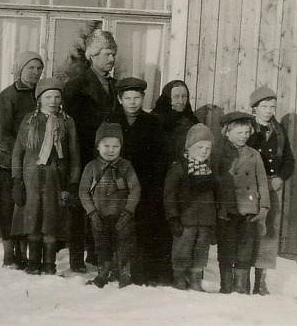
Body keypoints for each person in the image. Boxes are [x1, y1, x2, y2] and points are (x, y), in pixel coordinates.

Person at [64, 30, 120, 272]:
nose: (112, 59)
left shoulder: (116, 87)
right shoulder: (76, 86)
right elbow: (71, 126)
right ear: (93, 55)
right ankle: (76, 260)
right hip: (83, 155)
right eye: (108, 54)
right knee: (80, 206)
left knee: (103, 206)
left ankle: (97, 255)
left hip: (107, 157)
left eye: (114, 54)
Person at [11, 78, 81, 275]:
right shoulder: (30, 120)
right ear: (39, 99)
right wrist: (17, 180)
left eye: (56, 97)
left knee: (51, 221)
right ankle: (33, 262)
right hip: (31, 178)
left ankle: (49, 263)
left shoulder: (67, 122)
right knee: (33, 219)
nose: (52, 101)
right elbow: (18, 152)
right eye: (48, 97)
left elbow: (74, 156)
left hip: (55, 179)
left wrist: (73, 182)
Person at [0, 51, 44, 269]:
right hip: (9, 163)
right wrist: (21, 153)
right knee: (8, 209)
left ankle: (24, 253)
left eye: (39, 69)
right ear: (20, 69)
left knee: (27, 209)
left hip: (34, 164)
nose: (35, 73)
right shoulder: (8, 95)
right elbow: (2, 133)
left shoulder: (43, 96)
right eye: (30, 68)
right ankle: (9, 255)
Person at [109, 77, 171, 285]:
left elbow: (162, 156)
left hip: (146, 184)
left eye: (137, 97)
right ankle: (116, 270)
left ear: (143, 98)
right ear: (120, 99)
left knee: (146, 225)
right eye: (128, 98)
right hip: (117, 183)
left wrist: (152, 181)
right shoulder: (111, 121)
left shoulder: (153, 122)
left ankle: (144, 272)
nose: (133, 102)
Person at [212, 111, 270, 294]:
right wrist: (217, 206)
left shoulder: (254, 155)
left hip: (249, 209)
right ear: (227, 133)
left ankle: (241, 289)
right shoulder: (219, 153)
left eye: (247, 132)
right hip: (227, 209)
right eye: (239, 133)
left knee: (245, 250)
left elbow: (262, 181)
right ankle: (226, 287)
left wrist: (264, 207)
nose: (244, 136)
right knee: (226, 249)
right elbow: (213, 181)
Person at [79, 122, 141, 288]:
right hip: (99, 216)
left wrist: (128, 212)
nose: (111, 149)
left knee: (124, 245)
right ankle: (102, 274)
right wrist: (92, 213)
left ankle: (125, 274)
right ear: (98, 146)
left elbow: (135, 190)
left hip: (122, 217)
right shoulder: (91, 167)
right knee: (102, 245)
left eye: (116, 145)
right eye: (106, 145)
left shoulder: (126, 167)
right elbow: (83, 192)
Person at [247, 86, 295, 295]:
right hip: (250, 186)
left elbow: (289, 160)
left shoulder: (279, 130)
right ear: (255, 108)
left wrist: (281, 177)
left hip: (272, 187)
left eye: (272, 106)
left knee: (268, 232)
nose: (268, 110)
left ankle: (260, 281)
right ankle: (241, 279)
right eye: (264, 106)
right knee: (247, 229)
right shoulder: (247, 127)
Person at [164, 123, 218, 291]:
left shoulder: (211, 170)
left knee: (201, 251)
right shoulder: (179, 167)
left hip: (206, 220)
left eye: (208, 148)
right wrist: (173, 216)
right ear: (189, 148)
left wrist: (215, 217)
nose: (204, 151)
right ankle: (179, 278)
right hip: (185, 219)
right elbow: (169, 195)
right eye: (200, 147)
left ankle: (195, 279)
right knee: (182, 249)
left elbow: (216, 195)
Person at [151, 80, 200, 163]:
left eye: (184, 96)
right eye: (176, 97)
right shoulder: (152, 121)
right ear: (167, 99)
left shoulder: (192, 123)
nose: (181, 101)